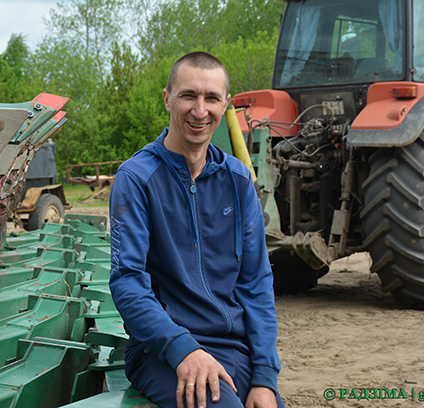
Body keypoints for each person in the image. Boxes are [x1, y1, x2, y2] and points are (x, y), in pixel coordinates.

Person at [109, 51, 285, 408]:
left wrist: (265, 376)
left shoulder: (238, 180)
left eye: (212, 99)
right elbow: (127, 281)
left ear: (227, 105)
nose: (200, 111)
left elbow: (256, 283)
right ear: (167, 98)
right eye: (188, 95)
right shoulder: (137, 178)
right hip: (161, 350)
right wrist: (183, 349)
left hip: (233, 347)